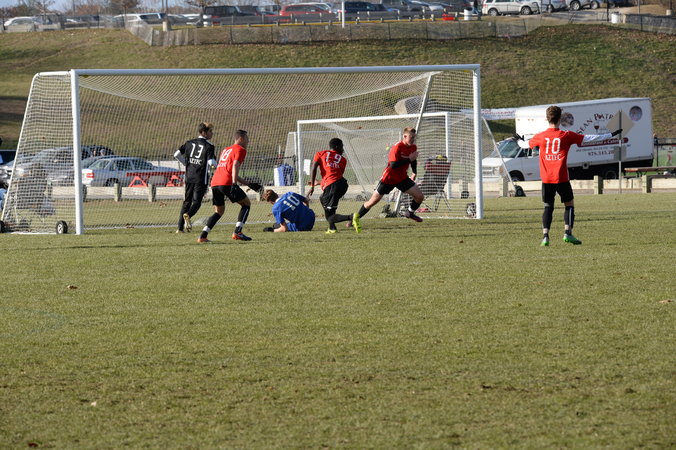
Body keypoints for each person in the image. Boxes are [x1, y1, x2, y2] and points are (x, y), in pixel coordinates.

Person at [525, 105, 622, 246]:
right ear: (560, 119)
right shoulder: (566, 135)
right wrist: (610, 135)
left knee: (548, 206)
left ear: (547, 119)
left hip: (546, 178)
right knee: (569, 204)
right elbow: (589, 138)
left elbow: (525, 144)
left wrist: (518, 140)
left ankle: (545, 236)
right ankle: (567, 233)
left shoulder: (540, 136)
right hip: (561, 177)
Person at [352, 127, 425, 232]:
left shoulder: (413, 147)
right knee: (372, 202)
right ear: (404, 136)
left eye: (414, 137)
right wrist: (409, 159)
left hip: (402, 178)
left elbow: (413, 161)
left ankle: (409, 213)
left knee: (419, 196)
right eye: (411, 137)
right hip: (388, 178)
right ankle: (354, 219)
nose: (413, 139)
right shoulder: (397, 147)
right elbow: (393, 165)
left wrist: (414, 172)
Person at [197, 129, 261, 243]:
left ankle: (202, 236)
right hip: (226, 182)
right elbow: (235, 166)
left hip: (215, 182)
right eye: (247, 138)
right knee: (246, 203)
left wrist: (249, 184)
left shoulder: (226, 149)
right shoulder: (241, 149)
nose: (248, 141)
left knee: (219, 211)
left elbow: (230, 171)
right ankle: (238, 232)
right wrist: (234, 184)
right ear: (241, 139)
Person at [173, 122, 216, 233]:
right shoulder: (209, 146)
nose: (212, 133)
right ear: (204, 132)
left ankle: (179, 228)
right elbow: (211, 163)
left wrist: (186, 164)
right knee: (196, 203)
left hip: (189, 177)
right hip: (200, 178)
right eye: (210, 131)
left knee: (187, 202)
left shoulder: (189, 143)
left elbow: (176, 154)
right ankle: (188, 215)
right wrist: (217, 166)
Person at [307, 137, 353, 234]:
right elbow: (334, 176)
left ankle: (352, 217)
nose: (343, 149)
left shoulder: (321, 154)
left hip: (333, 186)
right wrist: (319, 182)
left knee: (330, 216)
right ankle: (332, 228)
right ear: (336, 147)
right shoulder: (343, 160)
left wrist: (312, 186)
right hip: (342, 185)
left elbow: (314, 168)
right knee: (323, 200)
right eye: (342, 147)